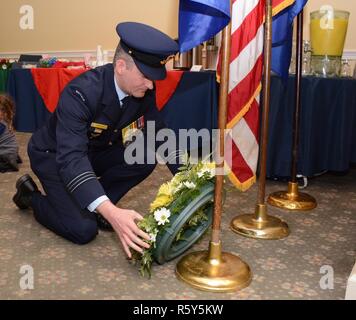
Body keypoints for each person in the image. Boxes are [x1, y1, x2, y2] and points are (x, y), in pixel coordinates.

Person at [13, 22, 180, 258]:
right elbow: (72, 159)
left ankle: (100, 207)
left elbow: (159, 132)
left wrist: (187, 178)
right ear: (121, 66)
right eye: (145, 76)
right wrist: (114, 213)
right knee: (83, 229)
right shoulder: (80, 93)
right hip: (54, 156)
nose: (151, 85)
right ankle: (30, 197)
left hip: (93, 151)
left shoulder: (141, 91)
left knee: (142, 155)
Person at [0, 94, 21, 173]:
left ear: (4, 113)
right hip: (9, 153)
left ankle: (10, 163)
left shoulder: (1, 125)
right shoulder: (4, 123)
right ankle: (12, 159)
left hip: (6, 157)